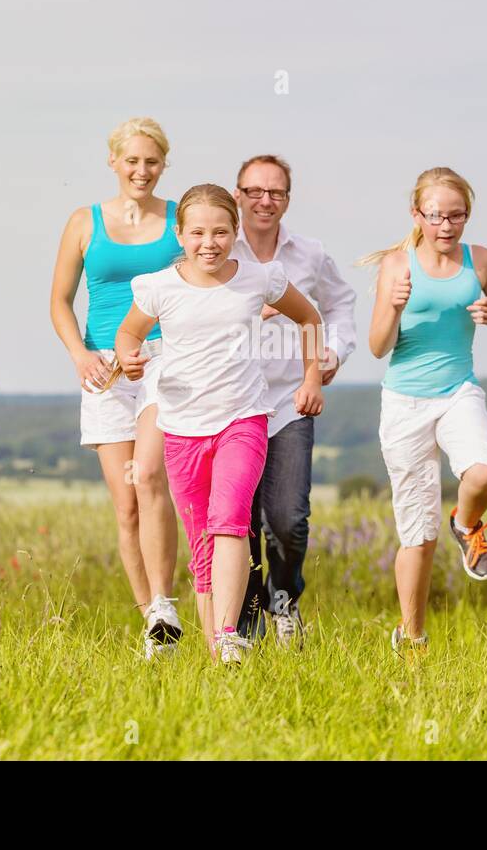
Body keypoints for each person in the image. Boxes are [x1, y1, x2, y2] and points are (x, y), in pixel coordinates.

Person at [114, 184, 325, 665]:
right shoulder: (159, 287)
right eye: (197, 233)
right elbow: (129, 332)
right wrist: (129, 357)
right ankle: (218, 654)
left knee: (230, 520)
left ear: (235, 232)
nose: (209, 243)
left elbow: (309, 317)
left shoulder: (259, 278)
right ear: (179, 234)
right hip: (183, 427)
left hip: (242, 418)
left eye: (220, 232)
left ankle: (229, 633)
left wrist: (311, 376)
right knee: (202, 544)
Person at [362, 166, 487, 653]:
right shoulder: (398, 264)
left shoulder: (483, 261)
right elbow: (377, 347)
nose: (447, 226)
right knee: (418, 534)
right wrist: (390, 306)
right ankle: (412, 639)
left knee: (484, 473)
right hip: (405, 402)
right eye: (436, 216)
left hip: (458, 391)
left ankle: (468, 525)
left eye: (457, 216)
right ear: (417, 214)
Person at [48, 117, 184, 660]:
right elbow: (59, 300)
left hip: (161, 362)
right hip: (103, 369)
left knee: (150, 479)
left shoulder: (180, 220)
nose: (142, 171)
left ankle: (168, 601)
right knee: (126, 505)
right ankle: (153, 622)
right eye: (132, 161)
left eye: (152, 162)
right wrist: (79, 354)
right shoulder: (85, 221)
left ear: (163, 164)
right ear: (113, 162)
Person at [229, 155, 357, 647]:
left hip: (290, 399)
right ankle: (245, 618)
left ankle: (283, 602)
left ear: (288, 199)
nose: (265, 200)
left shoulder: (310, 254)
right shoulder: (218, 246)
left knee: (286, 517)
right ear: (237, 193)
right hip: (231, 402)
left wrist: (334, 352)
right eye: (255, 191)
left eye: (276, 192)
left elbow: (340, 303)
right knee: (239, 519)